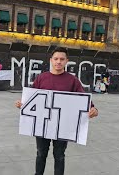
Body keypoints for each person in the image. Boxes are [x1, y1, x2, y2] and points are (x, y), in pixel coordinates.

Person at [15, 47, 98, 175]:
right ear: (51, 60)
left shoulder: (73, 81)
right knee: (41, 153)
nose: (58, 62)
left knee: (59, 155)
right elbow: (31, 98)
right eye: (56, 59)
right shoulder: (41, 78)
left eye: (62, 59)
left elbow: (84, 100)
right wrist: (22, 104)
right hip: (43, 125)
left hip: (62, 126)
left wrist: (93, 109)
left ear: (66, 61)